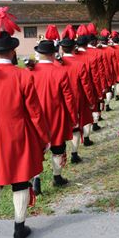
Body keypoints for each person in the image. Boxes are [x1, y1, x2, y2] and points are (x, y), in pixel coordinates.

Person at [0, 8, 50, 238]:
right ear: (13, 51)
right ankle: (19, 228)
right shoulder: (23, 76)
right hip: (17, 133)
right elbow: (35, 113)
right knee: (20, 180)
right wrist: (44, 137)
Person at [30, 39, 78, 192]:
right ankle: (57, 176)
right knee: (58, 147)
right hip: (56, 115)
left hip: (35, 116)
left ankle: (36, 179)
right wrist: (72, 117)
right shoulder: (60, 71)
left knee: (37, 148)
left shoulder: (29, 72)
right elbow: (69, 97)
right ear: (53, 54)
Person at [58, 37, 96, 163]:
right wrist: (91, 101)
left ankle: (61, 152)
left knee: (62, 126)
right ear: (73, 48)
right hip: (76, 98)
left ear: (62, 48)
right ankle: (74, 153)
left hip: (59, 99)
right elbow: (86, 85)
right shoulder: (79, 64)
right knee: (75, 126)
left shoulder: (56, 63)